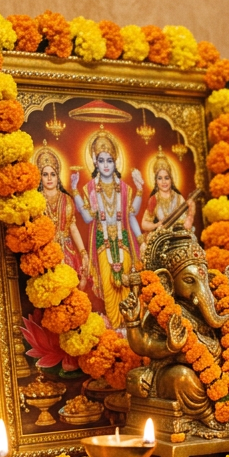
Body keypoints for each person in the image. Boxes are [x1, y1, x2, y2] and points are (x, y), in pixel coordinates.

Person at [71, 129, 144, 327]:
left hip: (124, 243)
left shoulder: (125, 188)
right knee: (109, 285)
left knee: (127, 285)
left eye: (109, 161)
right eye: (101, 160)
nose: (105, 165)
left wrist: (139, 190)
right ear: (95, 161)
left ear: (115, 163)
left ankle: (131, 327)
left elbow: (132, 215)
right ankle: (116, 327)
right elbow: (87, 218)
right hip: (103, 245)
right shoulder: (90, 189)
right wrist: (76, 191)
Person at [34, 144, 87, 282]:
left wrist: (83, 253)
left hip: (68, 251)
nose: (49, 178)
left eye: (53, 174)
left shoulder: (67, 199)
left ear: (58, 176)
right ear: (40, 177)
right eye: (45, 175)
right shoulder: (36, 200)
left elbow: (73, 227)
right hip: (46, 252)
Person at [140, 148, 194, 246]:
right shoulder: (154, 199)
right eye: (160, 178)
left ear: (171, 180)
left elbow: (186, 219)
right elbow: (144, 224)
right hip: (163, 237)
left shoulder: (178, 197)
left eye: (166, 178)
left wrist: (186, 221)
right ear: (156, 181)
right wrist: (157, 225)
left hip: (178, 234)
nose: (164, 182)